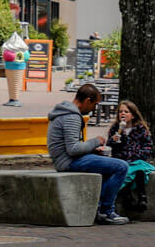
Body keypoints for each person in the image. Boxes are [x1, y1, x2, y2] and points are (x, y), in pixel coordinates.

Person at [49, 82, 130, 225]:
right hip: (68, 162)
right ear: (87, 100)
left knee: (108, 166)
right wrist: (96, 142)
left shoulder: (65, 113)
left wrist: (92, 150)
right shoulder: (71, 117)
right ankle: (106, 210)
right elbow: (73, 149)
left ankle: (99, 207)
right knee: (121, 166)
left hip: (66, 159)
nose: (94, 109)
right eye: (94, 104)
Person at [0, 29, 30, 104]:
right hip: (18, 63)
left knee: (13, 82)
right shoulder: (22, 49)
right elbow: (26, 56)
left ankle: (13, 99)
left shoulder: (9, 48)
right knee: (15, 82)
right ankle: (14, 99)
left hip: (12, 64)